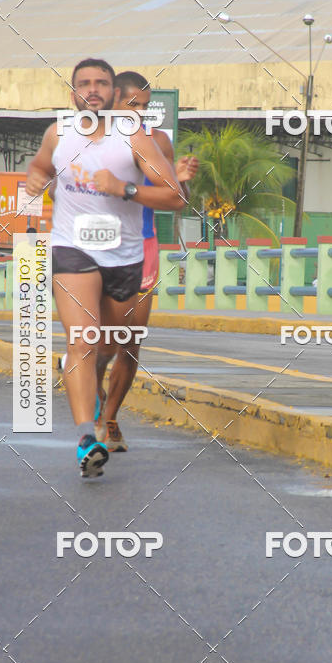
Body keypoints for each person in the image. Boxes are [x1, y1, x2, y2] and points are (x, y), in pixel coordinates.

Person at [25, 57, 185, 478]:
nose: (93, 89)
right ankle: (87, 438)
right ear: (73, 94)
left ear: (114, 93)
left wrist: (124, 188)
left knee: (114, 345)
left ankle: (101, 406)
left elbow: (174, 197)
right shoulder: (58, 133)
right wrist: (35, 178)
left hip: (125, 255)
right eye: (84, 83)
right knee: (82, 341)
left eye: (101, 83)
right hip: (72, 250)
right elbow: (41, 166)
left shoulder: (135, 137)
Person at [93, 71, 199, 451]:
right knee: (103, 342)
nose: (139, 112)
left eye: (145, 105)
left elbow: (176, 199)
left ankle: (109, 419)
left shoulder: (158, 142)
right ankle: (95, 391)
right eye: (131, 104)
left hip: (144, 246)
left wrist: (181, 180)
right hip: (99, 247)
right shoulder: (90, 141)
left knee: (131, 340)